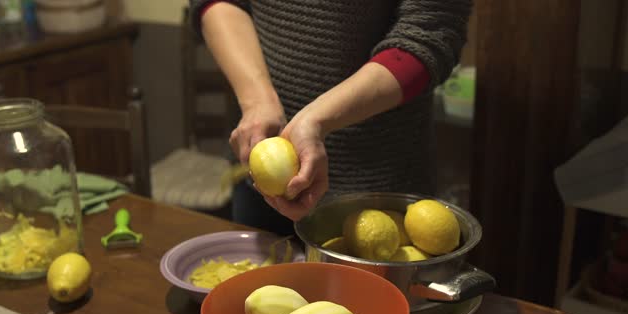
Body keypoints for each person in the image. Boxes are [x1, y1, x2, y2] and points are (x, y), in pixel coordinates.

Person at [191, 0, 472, 235]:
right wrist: (257, 101)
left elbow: (431, 33)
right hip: (262, 185)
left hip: (379, 196)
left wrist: (316, 120)